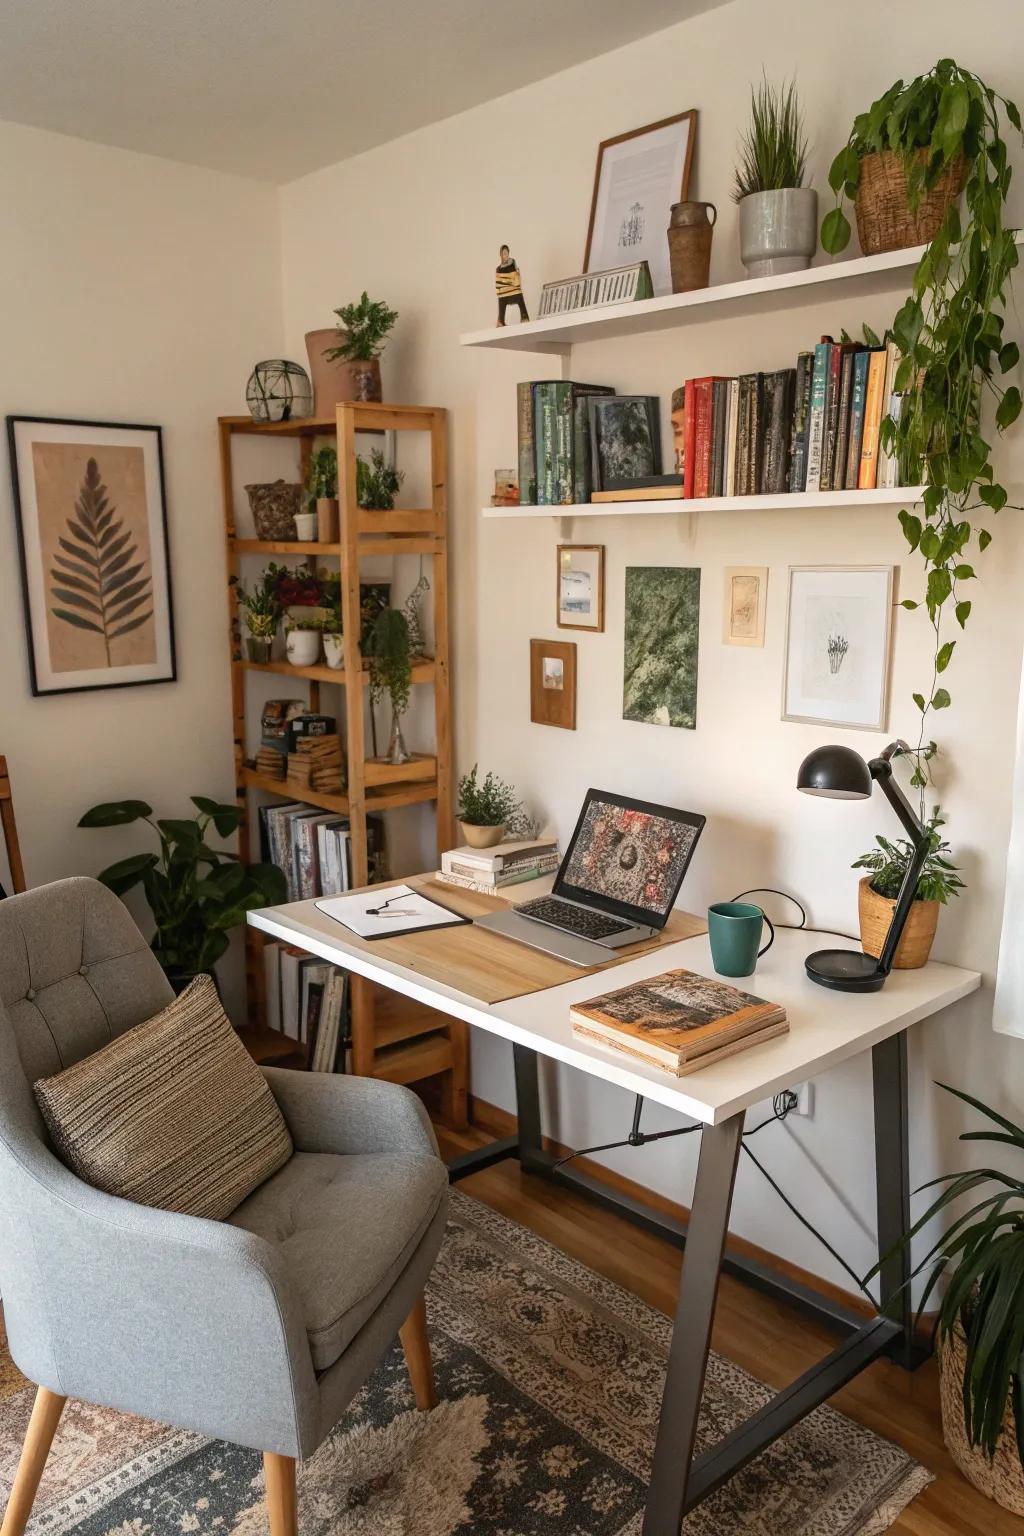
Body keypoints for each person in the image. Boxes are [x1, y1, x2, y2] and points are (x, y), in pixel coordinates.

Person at [495, 245, 529, 326]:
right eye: (503, 254)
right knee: (501, 299)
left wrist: (512, 281)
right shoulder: (498, 269)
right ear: (500, 255)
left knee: (519, 296)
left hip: (514, 290)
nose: (505, 255)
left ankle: (524, 316)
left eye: (506, 253)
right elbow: (498, 282)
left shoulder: (512, 263)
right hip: (504, 292)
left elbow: (516, 275)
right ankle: (501, 320)